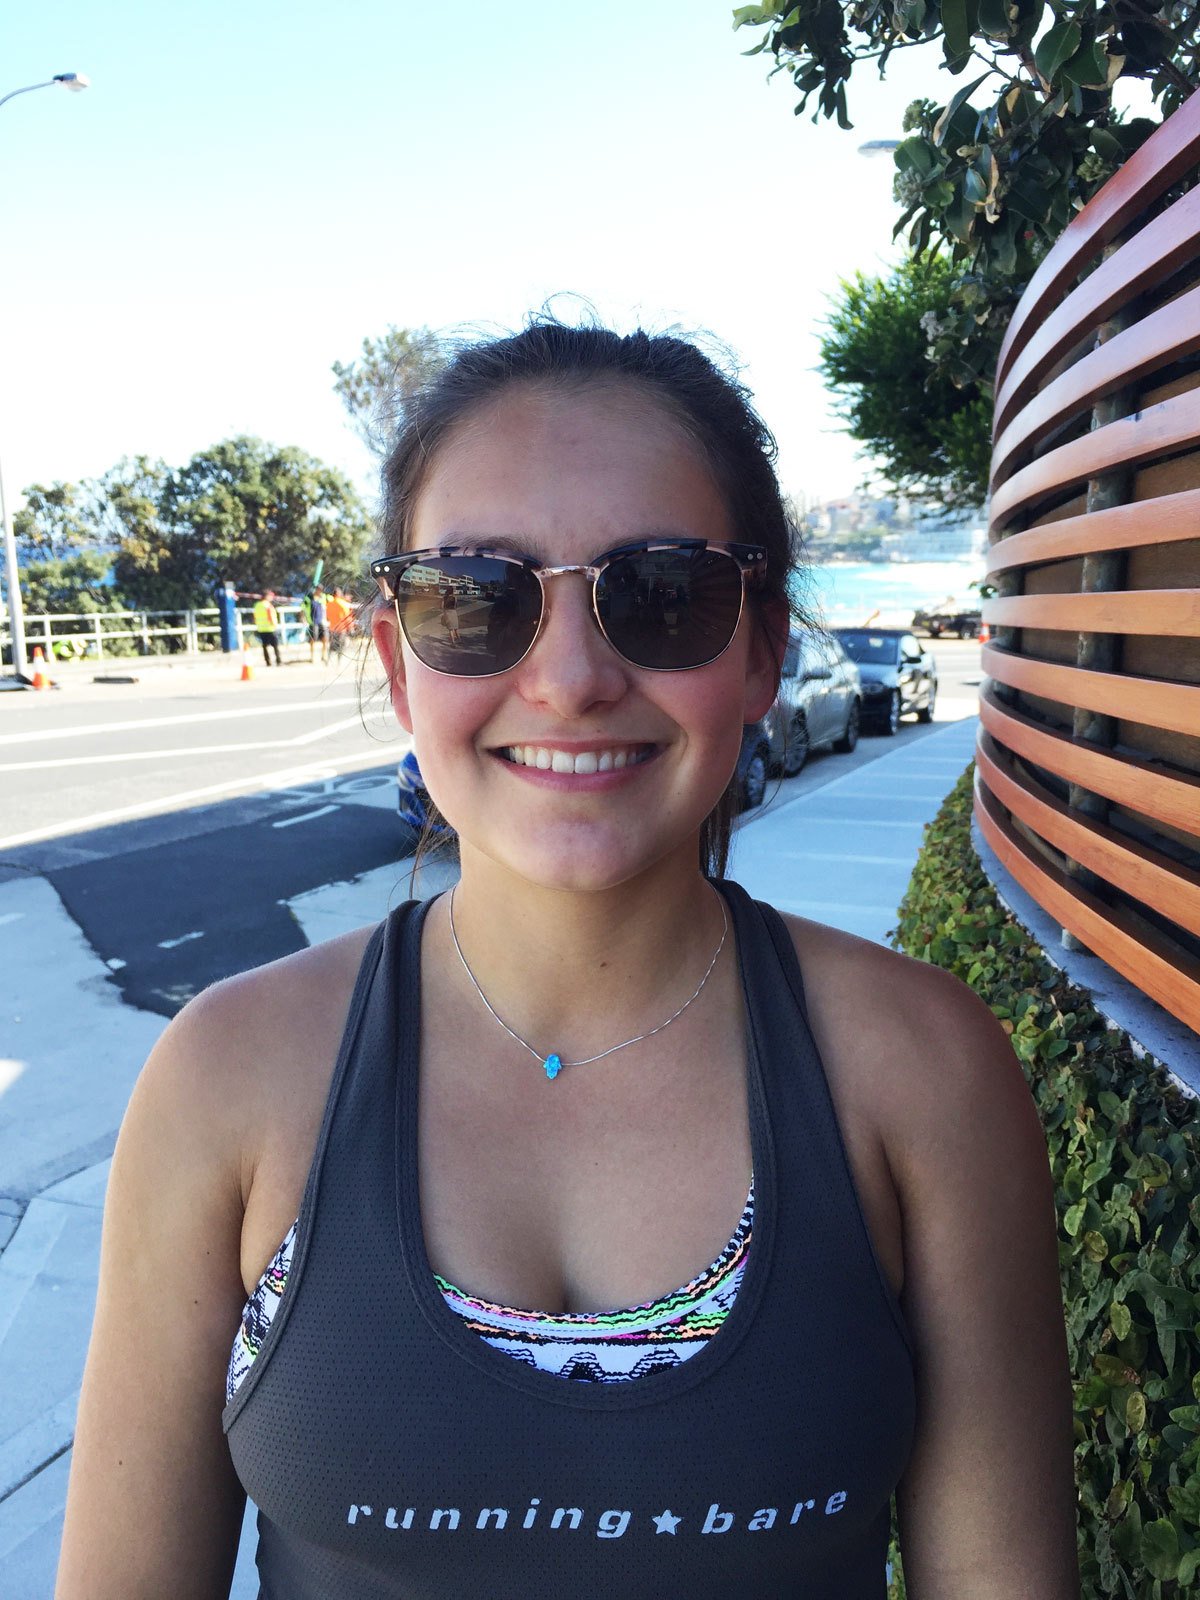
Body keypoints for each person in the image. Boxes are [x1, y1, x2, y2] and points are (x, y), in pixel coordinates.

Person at [56, 320, 1079, 1598]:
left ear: (763, 649)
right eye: (476, 596)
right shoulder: (229, 1078)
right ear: (400, 661)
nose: (573, 677)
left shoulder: (923, 1072)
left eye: (662, 593)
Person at [252, 590, 282, 666]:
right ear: (267, 596)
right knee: (275, 645)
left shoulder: (257, 605)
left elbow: (255, 617)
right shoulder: (268, 606)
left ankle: (268, 662)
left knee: (264, 646)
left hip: (261, 628)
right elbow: (270, 617)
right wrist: (275, 625)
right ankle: (278, 660)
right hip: (270, 628)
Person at [308, 585, 330, 665]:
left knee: (325, 638)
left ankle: (323, 656)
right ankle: (312, 656)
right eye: (319, 590)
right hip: (313, 622)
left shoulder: (324, 597)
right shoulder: (310, 597)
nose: (320, 591)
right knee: (313, 639)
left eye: (321, 590)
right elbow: (304, 608)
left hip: (322, 621)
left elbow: (330, 603)